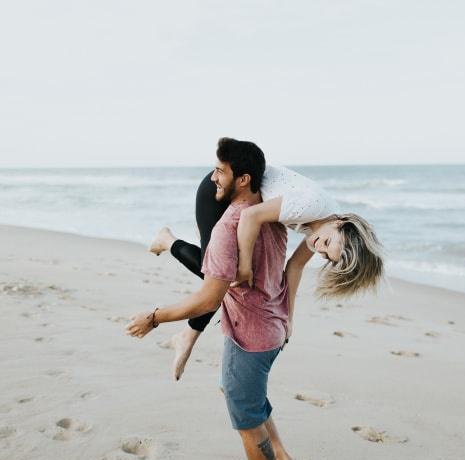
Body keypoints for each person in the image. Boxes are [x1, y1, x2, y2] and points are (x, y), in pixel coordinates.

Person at [126, 138, 300, 460]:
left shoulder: (226, 231)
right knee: (243, 393)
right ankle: (281, 456)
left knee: (248, 423)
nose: (213, 178)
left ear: (244, 178)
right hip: (277, 330)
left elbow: (208, 299)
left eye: (219, 171)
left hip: (250, 340)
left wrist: (154, 318)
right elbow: (296, 260)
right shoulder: (275, 215)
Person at [149, 141, 384, 380]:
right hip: (223, 188)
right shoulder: (311, 206)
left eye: (325, 255)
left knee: (225, 279)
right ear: (339, 223)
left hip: (249, 201)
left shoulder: (324, 227)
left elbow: (295, 266)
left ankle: (187, 336)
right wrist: (244, 267)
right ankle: (167, 240)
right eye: (325, 244)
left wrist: (288, 318)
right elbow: (251, 216)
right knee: (218, 275)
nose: (318, 248)